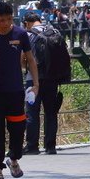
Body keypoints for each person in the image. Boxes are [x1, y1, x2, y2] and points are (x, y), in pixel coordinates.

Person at [0, 1, 39, 179]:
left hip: (15, 91)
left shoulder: (20, 34)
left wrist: (36, 84)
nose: (5, 23)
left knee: (17, 129)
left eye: (8, 19)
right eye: (1, 20)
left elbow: (30, 60)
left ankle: (13, 159)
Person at [22, 12, 67, 155]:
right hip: (52, 79)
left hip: (32, 79)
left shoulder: (28, 35)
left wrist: (24, 69)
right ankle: (50, 146)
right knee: (51, 112)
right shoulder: (54, 32)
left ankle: (32, 146)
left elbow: (23, 58)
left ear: (27, 23)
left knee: (32, 113)